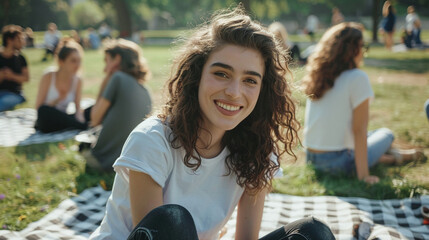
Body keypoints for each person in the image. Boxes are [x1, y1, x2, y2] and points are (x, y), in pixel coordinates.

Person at [90, 6, 335, 240]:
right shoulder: (152, 141)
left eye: (250, 80)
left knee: (313, 233)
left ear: (263, 90)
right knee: (173, 219)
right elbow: (157, 231)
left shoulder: (258, 149)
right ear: (197, 76)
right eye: (221, 74)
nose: (234, 92)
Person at [303, 22, 418, 185]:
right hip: (338, 162)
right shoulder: (357, 77)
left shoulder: (319, 77)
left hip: (311, 158)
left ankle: (390, 157)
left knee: (373, 135)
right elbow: (359, 130)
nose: (364, 52)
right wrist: (363, 176)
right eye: (362, 46)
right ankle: (393, 157)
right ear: (353, 50)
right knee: (386, 134)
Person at [82, 39, 152, 173]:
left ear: (117, 60)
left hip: (103, 162)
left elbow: (94, 119)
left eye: (106, 61)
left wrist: (106, 80)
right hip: (131, 163)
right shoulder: (146, 91)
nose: (104, 68)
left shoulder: (118, 78)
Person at [34, 38, 87, 133]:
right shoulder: (49, 76)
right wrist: (56, 100)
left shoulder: (77, 80)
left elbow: (78, 109)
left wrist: (81, 118)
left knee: (90, 110)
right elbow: (39, 108)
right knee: (44, 111)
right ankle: (77, 125)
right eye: (73, 61)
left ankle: (76, 125)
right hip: (48, 116)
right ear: (61, 62)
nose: (77, 65)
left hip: (65, 117)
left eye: (79, 60)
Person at [0, 25, 29, 112]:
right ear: (9, 40)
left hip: (15, 94)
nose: (22, 42)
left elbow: (26, 78)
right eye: (19, 39)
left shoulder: (20, 58)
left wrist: (12, 76)